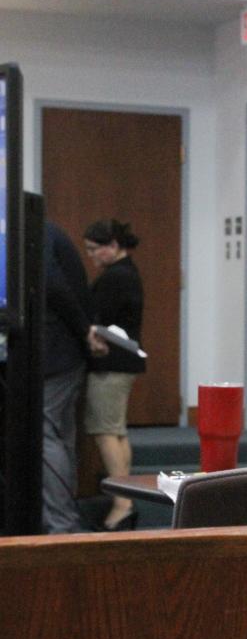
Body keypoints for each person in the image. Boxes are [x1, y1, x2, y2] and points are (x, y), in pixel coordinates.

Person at [82, 219, 145, 531]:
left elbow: (98, 318)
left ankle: (122, 503)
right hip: (125, 364)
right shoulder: (127, 272)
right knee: (117, 430)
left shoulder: (116, 277)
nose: (92, 256)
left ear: (113, 246)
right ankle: (126, 497)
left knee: (105, 430)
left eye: (95, 250)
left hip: (111, 364)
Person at [42, 222, 104, 533]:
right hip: (65, 352)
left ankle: (61, 524)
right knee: (61, 436)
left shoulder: (30, 229)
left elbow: (52, 285)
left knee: (46, 433)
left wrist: (84, 329)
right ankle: (66, 519)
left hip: (54, 351)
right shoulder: (46, 229)